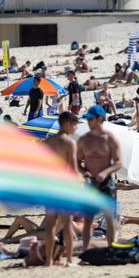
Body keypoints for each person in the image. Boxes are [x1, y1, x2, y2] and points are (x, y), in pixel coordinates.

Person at [77, 105, 122, 249]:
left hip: (106, 182)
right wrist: (84, 172)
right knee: (88, 219)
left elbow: (119, 162)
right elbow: (77, 162)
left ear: (100, 119)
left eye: (91, 119)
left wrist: (105, 172)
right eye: (88, 119)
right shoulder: (84, 140)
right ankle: (85, 251)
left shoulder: (110, 138)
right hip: (90, 182)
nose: (88, 122)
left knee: (109, 218)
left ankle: (110, 249)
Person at [43, 112, 79, 266]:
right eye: (74, 124)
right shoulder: (69, 143)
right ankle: (69, 260)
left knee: (50, 225)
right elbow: (73, 170)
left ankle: (49, 261)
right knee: (67, 223)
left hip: (50, 186)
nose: (75, 128)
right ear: (66, 124)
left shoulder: (47, 142)